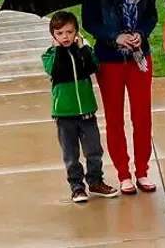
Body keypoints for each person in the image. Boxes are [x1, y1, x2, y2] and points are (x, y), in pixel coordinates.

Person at [81, 0, 158, 194]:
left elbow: (151, 15)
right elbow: (89, 22)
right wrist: (115, 36)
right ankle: (123, 173)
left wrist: (141, 33)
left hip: (140, 58)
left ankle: (143, 170)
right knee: (115, 119)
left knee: (142, 116)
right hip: (110, 59)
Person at [43, 11, 118, 204]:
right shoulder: (50, 56)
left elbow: (93, 67)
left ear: (76, 32)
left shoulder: (83, 51)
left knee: (94, 150)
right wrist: (59, 50)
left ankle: (95, 181)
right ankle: (77, 187)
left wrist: (83, 49)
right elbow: (55, 71)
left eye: (69, 32)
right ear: (53, 35)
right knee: (71, 154)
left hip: (86, 111)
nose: (65, 37)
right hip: (64, 114)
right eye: (59, 33)